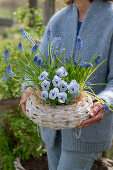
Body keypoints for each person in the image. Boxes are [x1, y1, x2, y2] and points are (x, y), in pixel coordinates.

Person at [20, 0, 113, 169]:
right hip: (52, 129)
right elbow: (38, 65)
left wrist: (103, 103)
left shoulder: (111, 19)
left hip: (86, 132)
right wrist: (27, 88)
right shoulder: (59, 19)